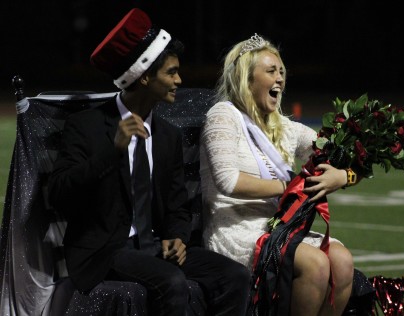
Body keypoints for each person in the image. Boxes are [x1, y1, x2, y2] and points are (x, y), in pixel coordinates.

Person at [48, 8, 250, 316]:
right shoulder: (87, 125)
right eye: (171, 72)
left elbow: (178, 205)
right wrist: (112, 150)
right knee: (171, 281)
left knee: (235, 276)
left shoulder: (167, 134)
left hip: (152, 247)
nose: (179, 80)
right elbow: (59, 194)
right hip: (105, 251)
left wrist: (178, 237)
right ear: (143, 77)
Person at [200, 34, 355, 315]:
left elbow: (338, 154)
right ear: (247, 78)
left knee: (342, 261)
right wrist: (287, 186)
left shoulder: (283, 126)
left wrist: (345, 176)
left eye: (282, 72)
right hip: (233, 227)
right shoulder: (223, 115)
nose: (280, 79)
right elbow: (228, 182)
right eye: (271, 71)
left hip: (276, 227)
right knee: (316, 264)